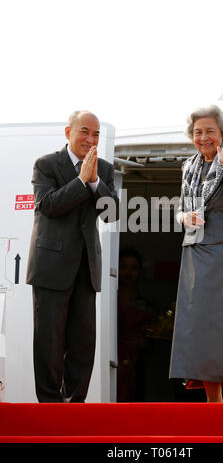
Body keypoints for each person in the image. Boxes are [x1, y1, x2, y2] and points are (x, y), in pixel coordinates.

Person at [26, 110, 119, 402]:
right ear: (68, 132)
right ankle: (51, 407)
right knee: (49, 343)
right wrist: (81, 182)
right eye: (84, 132)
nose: (91, 139)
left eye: (96, 134)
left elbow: (112, 213)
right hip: (50, 266)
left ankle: (75, 407)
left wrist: (93, 183)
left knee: (82, 344)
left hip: (85, 267)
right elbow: (48, 205)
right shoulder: (46, 164)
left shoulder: (103, 169)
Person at [169, 104, 223, 403]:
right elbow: (181, 208)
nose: (203, 137)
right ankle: (212, 400)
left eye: (210, 132)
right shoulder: (189, 166)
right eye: (197, 132)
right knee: (199, 322)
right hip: (197, 248)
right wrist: (184, 218)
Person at [117, 247, 154, 402]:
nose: (128, 273)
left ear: (140, 272)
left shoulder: (147, 305)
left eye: (133, 268)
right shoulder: (107, 305)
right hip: (113, 364)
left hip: (137, 365)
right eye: (123, 267)